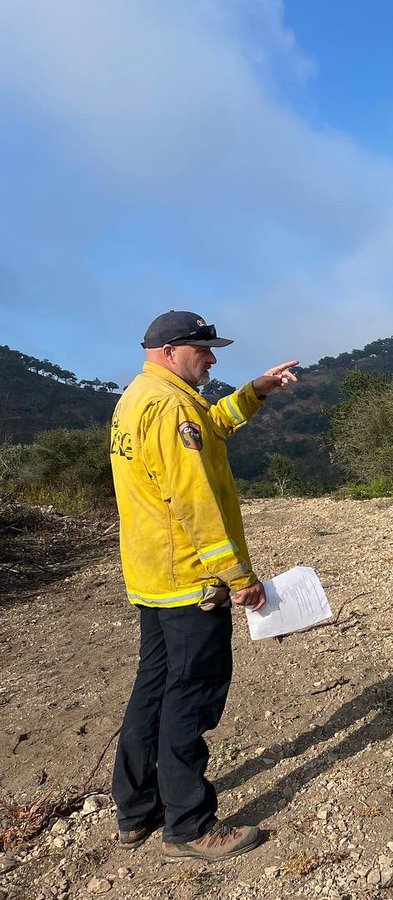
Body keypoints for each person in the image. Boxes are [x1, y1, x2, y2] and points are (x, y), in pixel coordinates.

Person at [108, 310, 298, 861]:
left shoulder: (142, 397)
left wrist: (255, 392)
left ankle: (137, 810)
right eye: (203, 349)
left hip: (154, 577)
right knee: (190, 699)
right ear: (170, 351)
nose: (212, 358)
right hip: (192, 580)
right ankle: (189, 827)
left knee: (153, 690)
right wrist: (239, 577)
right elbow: (195, 500)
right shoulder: (169, 407)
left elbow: (209, 427)